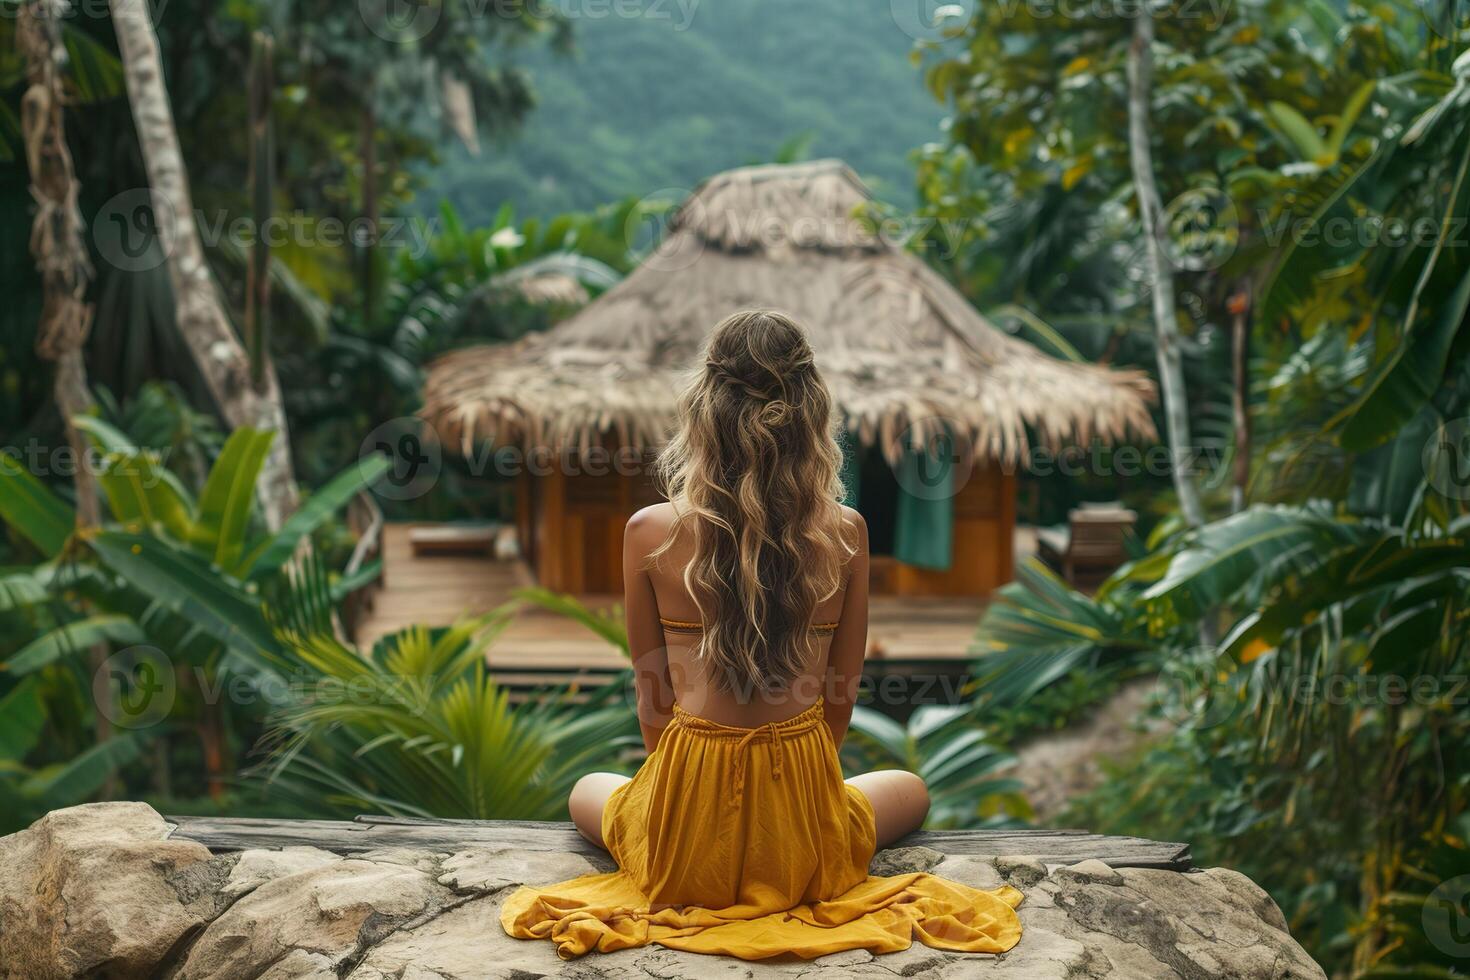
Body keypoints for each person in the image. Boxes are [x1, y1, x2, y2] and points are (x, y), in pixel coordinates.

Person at [501, 310, 1023, 961]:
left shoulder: (647, 531)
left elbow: (654, 705)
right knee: (909, 791)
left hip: (683, 815)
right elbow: (839, 703)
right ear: (812, 415)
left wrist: (690, 799)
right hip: (802, 802)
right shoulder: (847, 534)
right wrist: (792, 800)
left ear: (702, 412)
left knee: (589, 790)